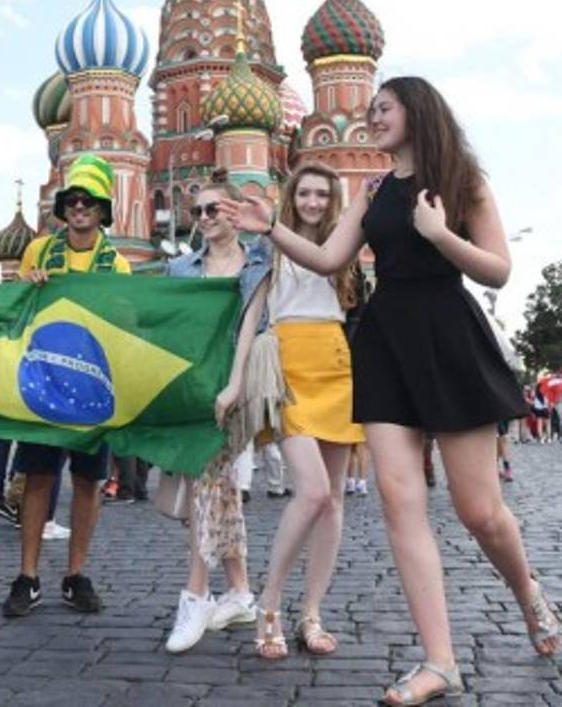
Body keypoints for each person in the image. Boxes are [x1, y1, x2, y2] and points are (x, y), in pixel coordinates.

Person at [222, 77, 560, 704]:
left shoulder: (463, 182)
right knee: (399, 503)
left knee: (479, 512)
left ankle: (528, 592)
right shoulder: (373, 190)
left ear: (417, 112)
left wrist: (440, 234)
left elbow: (498, 270)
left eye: (384, 108)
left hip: (449, 338)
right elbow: (330, 259)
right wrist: (270, 228)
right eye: (371, 109)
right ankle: (440, 661)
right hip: (385, 345)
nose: (372, 117)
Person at [2, 154, 129, 618]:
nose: (79, 207)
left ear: (102, 210)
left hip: (92, 385)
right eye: (72, 200)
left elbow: (124, 325)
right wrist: (27, 283)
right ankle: (28, 576)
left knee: (87, 482)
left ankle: (76, 575)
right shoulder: (39, 251)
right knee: (38, 478)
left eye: (88, 201)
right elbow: (16, 306)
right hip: (46, 381)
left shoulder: (117, 264)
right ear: (63, 207)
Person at [253, 163, 365, 659]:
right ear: (291, 197)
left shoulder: (344, 247)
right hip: (289, 364)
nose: (314, 202)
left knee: (334, 499)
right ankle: (270, 602)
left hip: (336, 364)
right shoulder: (268, 244)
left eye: (322, 194)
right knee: (313, 491)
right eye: (305, 193)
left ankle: (312, 611)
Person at [164, 169, 270, 654]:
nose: (204, 217)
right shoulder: (180, 268)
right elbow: (164, 322)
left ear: (235, 211)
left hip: (235, 387)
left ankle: (195, 595)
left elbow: (253, 325)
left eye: (214, 209)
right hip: (194, 385)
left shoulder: (258, 263)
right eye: (198, 210)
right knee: (217, 485)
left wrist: (233, 385)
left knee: (206, 481)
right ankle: (241, 592)